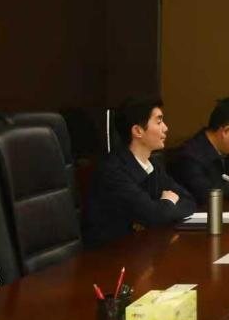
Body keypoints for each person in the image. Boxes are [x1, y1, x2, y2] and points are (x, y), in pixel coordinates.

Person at [82, 97, 197, 249]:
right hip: (110, 254)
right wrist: (167, 202)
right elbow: (153, 215)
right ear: (137, 131)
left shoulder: (152, 165)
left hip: (142, 247)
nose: (165, 128)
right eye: (159, 122)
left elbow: (189, 201)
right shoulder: (113, 170)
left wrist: (157, 214)